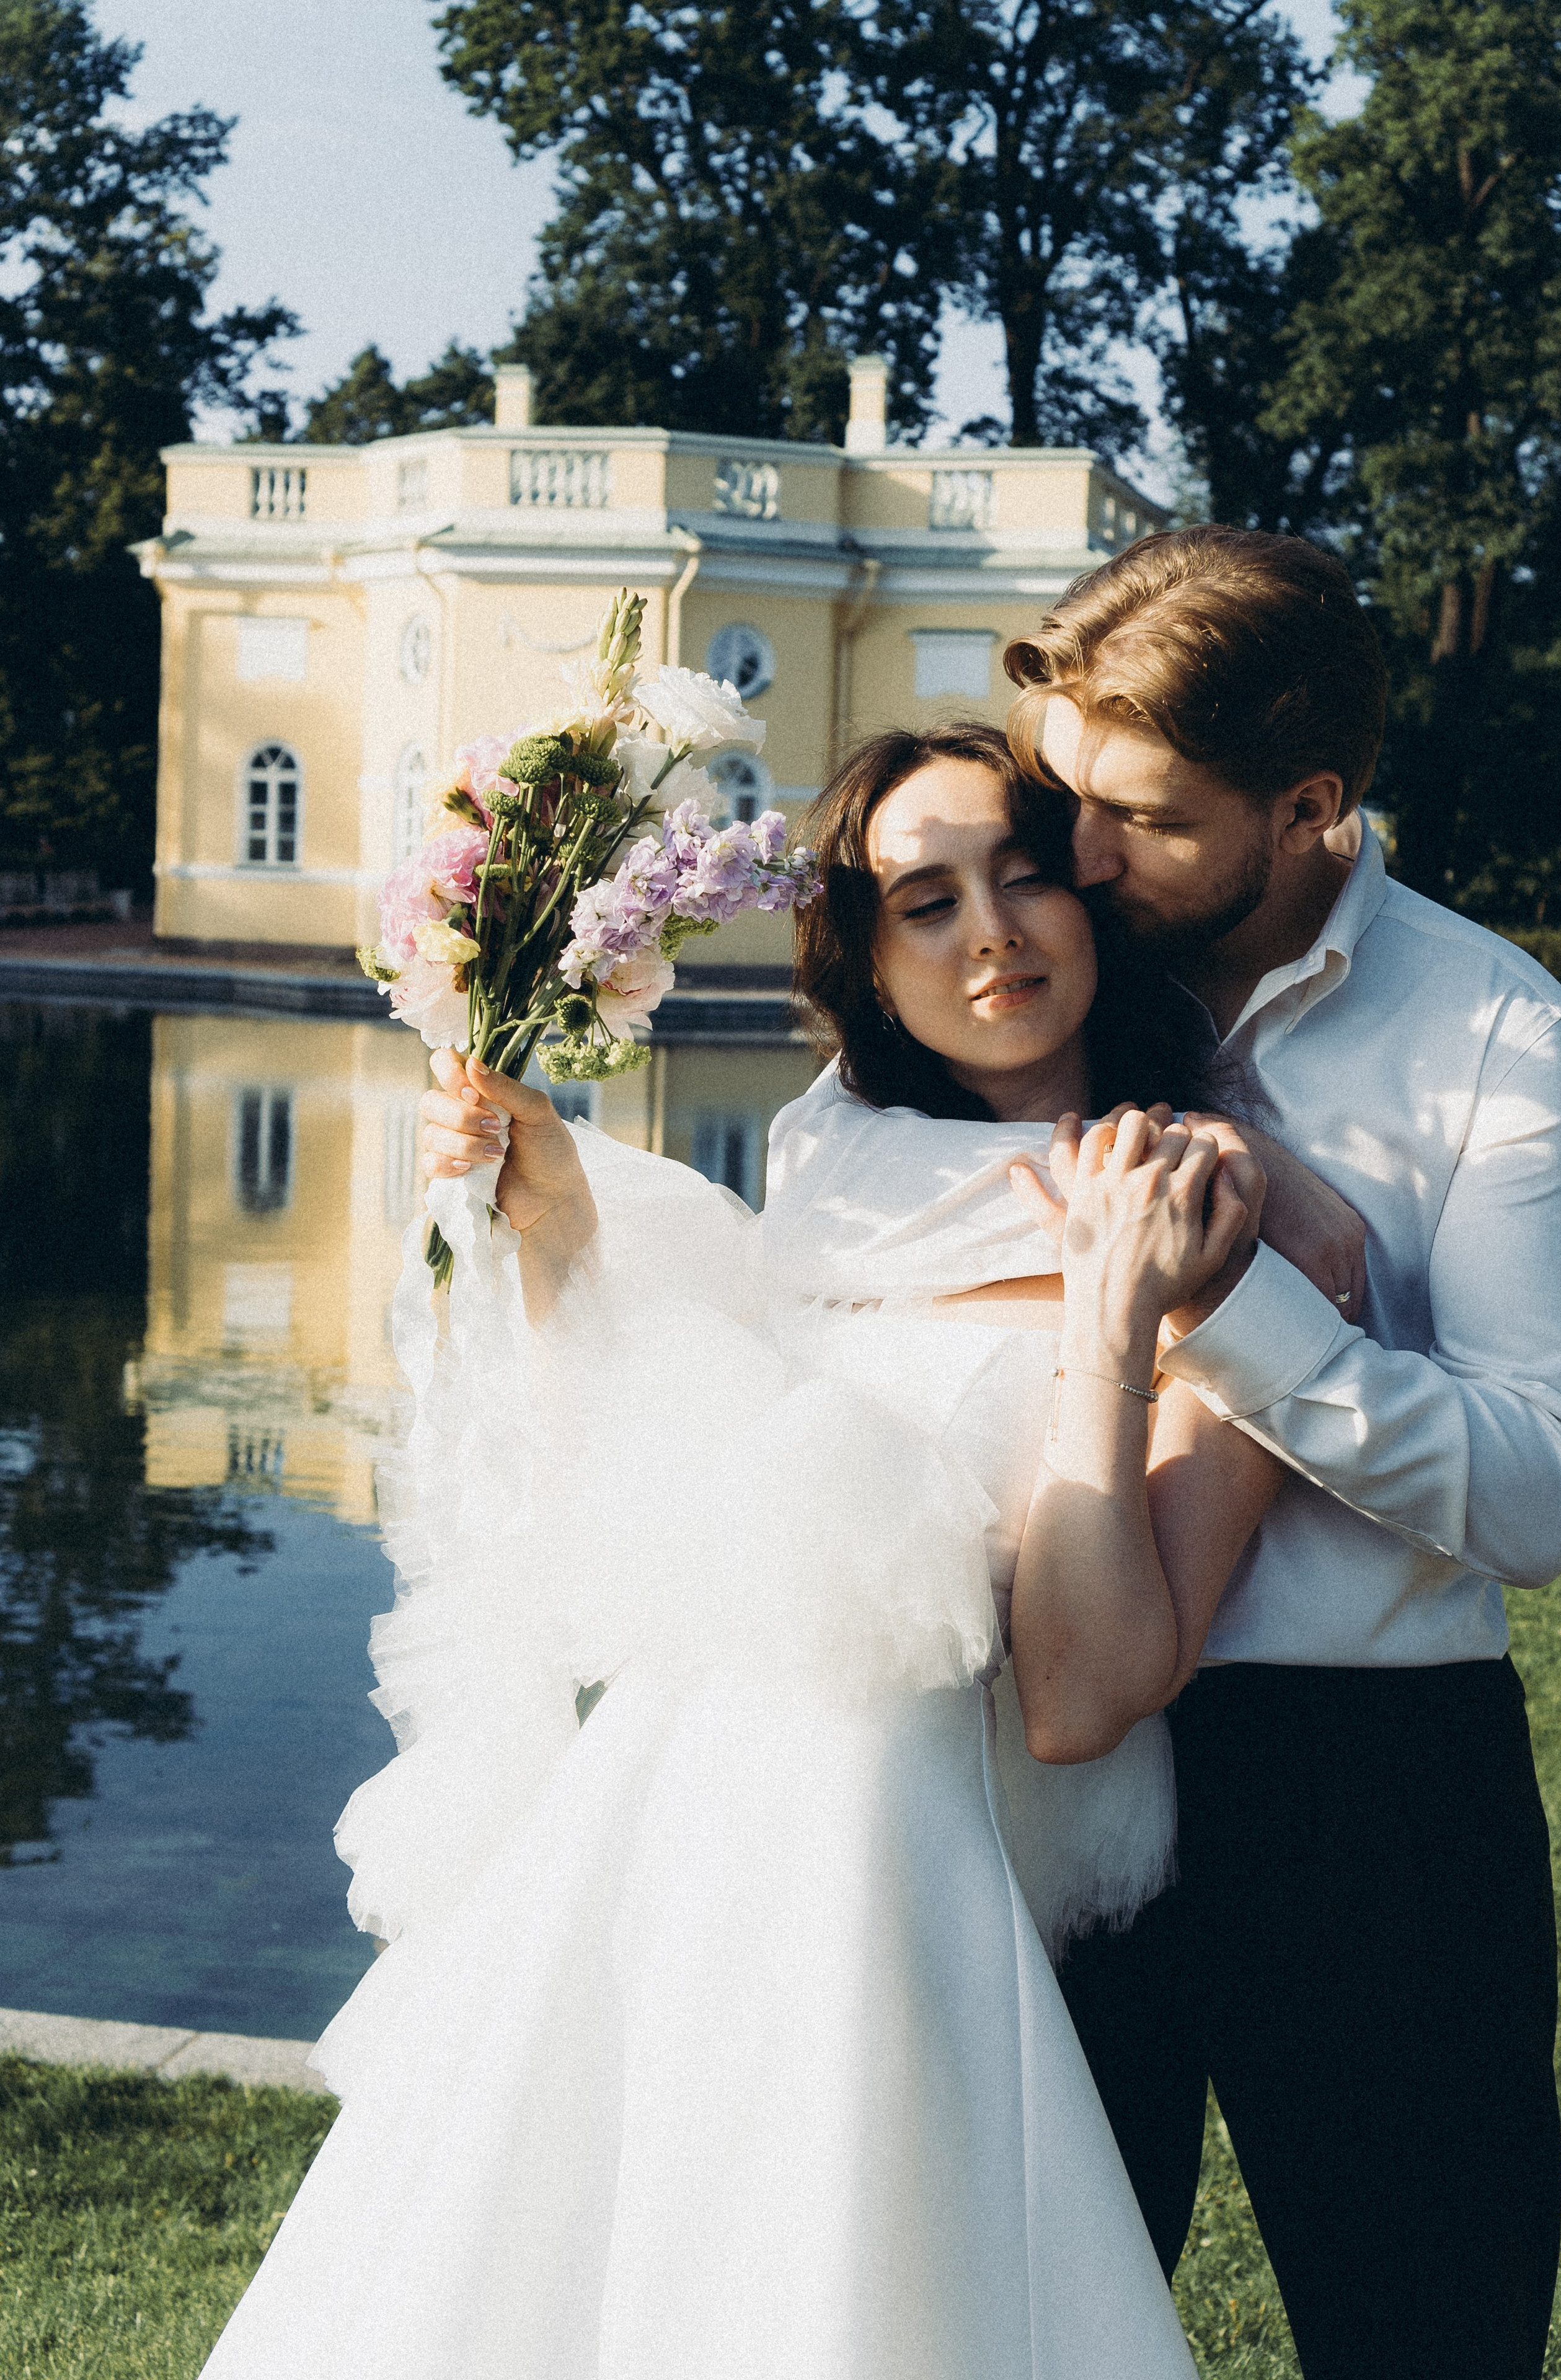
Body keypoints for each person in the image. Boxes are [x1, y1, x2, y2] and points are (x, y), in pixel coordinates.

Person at [197, 721, 1337, 2380]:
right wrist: (556, 1228)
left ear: (1096, 902)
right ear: (868, 961)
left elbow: (1089, 1694)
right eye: (926, 903)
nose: (994, 936)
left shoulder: (1210, 1197)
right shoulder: (827, 1170)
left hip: (924, 1841)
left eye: (1027, 878)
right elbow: (650, 1524)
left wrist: (1114, 1315)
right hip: (687, 1818)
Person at [777, 528, 1561, 2380]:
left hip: (1364, 1797)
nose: (1072, 862)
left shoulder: (1501, 1043)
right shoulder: (1000, 1004)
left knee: (1420, 2336)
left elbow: (1545, 1494)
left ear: (1308, 808)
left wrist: (1245, 1315)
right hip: (1016, 1789)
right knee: (1015, 2325)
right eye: (1066, 797)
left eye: (1133, 819)